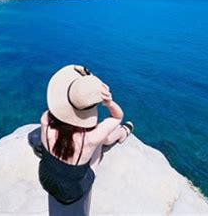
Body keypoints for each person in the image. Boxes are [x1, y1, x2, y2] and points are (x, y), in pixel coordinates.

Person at [28, 65, 134, 215]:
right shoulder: (91, 138)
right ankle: (123, 133)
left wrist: (81, 70)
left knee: (99, 137)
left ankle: (122, 133)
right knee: (102, 140)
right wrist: (109, 102)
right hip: (73, 192)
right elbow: (117, 116)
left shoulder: (45, 119)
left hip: (46, 179)